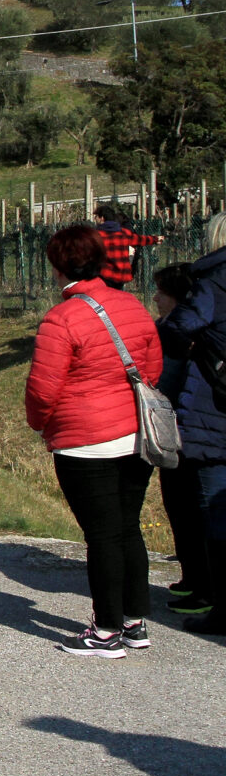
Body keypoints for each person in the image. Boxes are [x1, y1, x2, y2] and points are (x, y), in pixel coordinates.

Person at [24, 223, 164, 657]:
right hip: (134, 434)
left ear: (58, 266)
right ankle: (135, 621)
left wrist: (40, 423)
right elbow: (153, 368)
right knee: (127, 528)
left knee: (101, 535)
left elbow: (43, 389)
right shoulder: (132, 306)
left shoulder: (61, 319)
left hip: (85, 440)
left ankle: (105, 631)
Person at [151, 261, 226, 633]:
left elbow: (171, 378)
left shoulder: (184, 334)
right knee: (183, 508)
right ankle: (195, 578)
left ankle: (208, 589)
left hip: (197, 429)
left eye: (162, 293)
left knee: (203, 511)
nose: (155, 298)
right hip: (188, 429)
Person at [94, 204, 161, 290]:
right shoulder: (124, 233)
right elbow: (140, 239)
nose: (95, 219)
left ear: (102, 218)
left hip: (105, 275)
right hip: (122, 275)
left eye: (96, 216)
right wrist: (155, 239)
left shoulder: (97, 235)